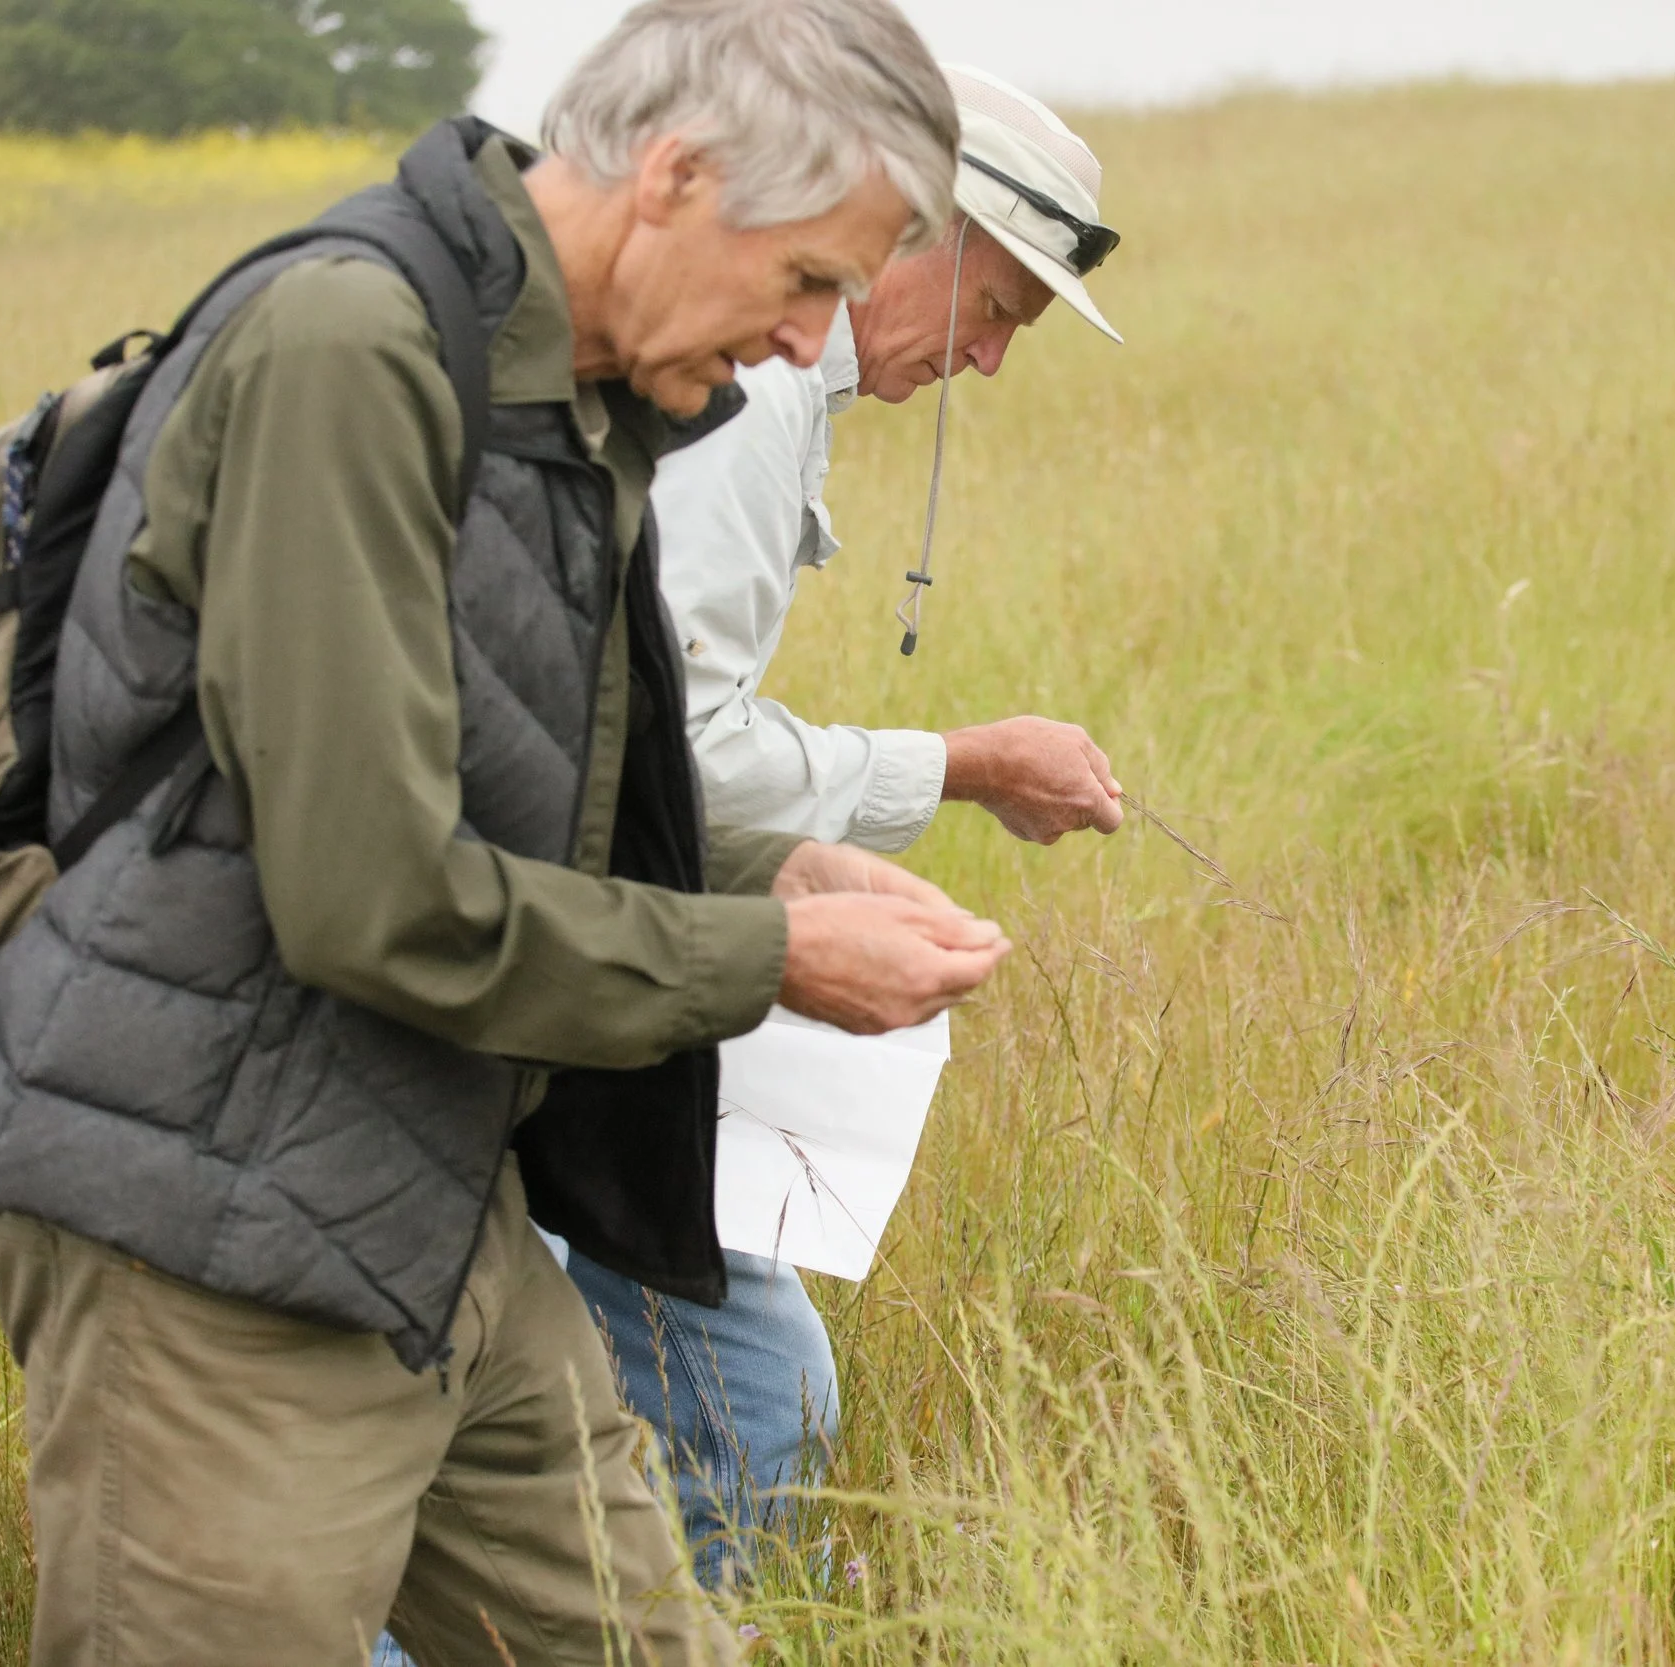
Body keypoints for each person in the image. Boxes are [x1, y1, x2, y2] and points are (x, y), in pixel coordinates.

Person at [0, 2, 1004, 1662]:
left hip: (431, 1194)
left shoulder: (575, 399)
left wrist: (772, 861)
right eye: (807, 280)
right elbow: (375, 896)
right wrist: (772, 952)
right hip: (209, 1228)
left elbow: (511, 780)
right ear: (678, 177)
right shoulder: (351, 350)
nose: (808, 344)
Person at [562, 65, 1128, 1588]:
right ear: (906, 232)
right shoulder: (757, 392)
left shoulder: (775, 380)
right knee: (746, 1400)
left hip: (556, 973)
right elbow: (679, 738)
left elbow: (633, 739)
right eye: (997, 310)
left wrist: (787, 857)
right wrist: (962, 764)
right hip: (533, 988)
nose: (992, 363)